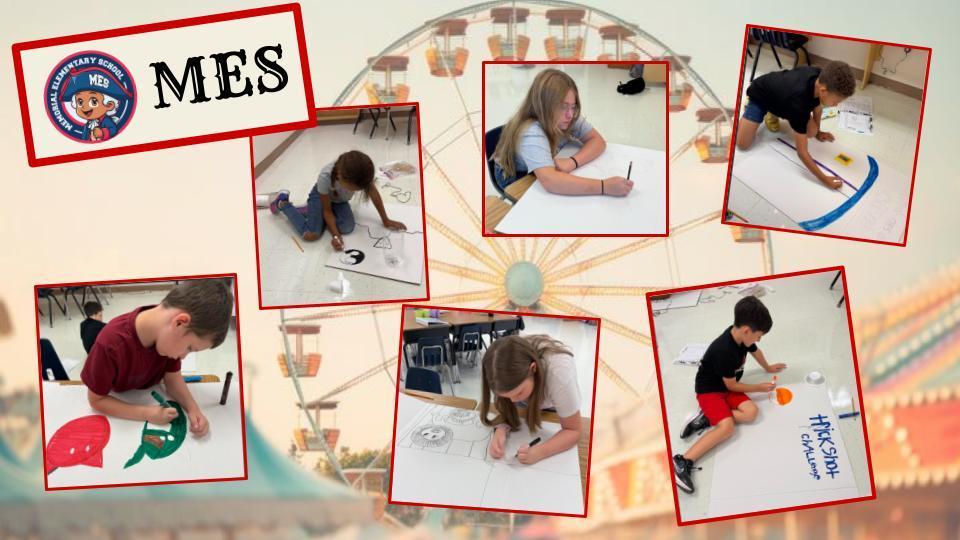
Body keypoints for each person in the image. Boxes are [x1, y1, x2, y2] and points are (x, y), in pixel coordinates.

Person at [80, 279, 234, 437]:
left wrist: (193, 408)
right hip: (120, 413)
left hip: (148, 394)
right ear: (180, 323)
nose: (182, 356)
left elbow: (172, 379)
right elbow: (96, 400)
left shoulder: (168, 335)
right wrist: (145, 413)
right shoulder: (110, 344)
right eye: (189, 348)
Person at [673, 296, 787, 494]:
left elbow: (755, 351)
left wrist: (768, 367)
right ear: (746, 330)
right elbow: (733, 386)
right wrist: (759, 387)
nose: (759, 339)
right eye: (759, 335)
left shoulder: (742, 336)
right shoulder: (724, 350)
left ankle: (708, 417)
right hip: (710, 391)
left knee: (751, 413)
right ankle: (683, 461)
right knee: (727, 428)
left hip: (725, 388)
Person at [491, 68, 633, 197]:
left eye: (573, 106)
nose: (570, 115)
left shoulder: (567, 116)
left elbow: (597, 140)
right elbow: (551, 182)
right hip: (515, 176)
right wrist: (604, 186)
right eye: (563, 107)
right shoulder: (531, 132)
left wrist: (573, 162)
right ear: (544, 106)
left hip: (547, 163)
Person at [735, 61, 856, 189]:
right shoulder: (798, 104)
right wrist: (824, 179)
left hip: (783, 97)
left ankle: (777, 110)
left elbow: (818, 108)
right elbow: (802, 153)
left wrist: (819, 132)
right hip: (761, 95)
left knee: (812, 132)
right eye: (836, 101)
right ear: (823, 90)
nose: (836, 105)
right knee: (742, 145)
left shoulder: (820, 77)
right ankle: (767, 111)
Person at [269, 150, 405, 249]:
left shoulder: (361, 171)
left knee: (347, 228)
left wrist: (385, 220)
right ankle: (283, 203)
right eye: (352, 189)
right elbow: (328, 211)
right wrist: (335, 235)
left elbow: (374, 195)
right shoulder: (325, 177)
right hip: (321, 196)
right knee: (312, 235)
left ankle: (311, 212)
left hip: (339, 200)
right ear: (340, 178)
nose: (354, 192)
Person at [479, 335, 582, 465]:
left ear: (533, 369)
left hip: (554, 397)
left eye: (519, 393)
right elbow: (509, 402)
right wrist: (501, 428)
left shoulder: (560, 376)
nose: (512, 401)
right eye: (506, 396)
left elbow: (573, 430)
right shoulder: (500, 370)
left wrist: (540, 451)